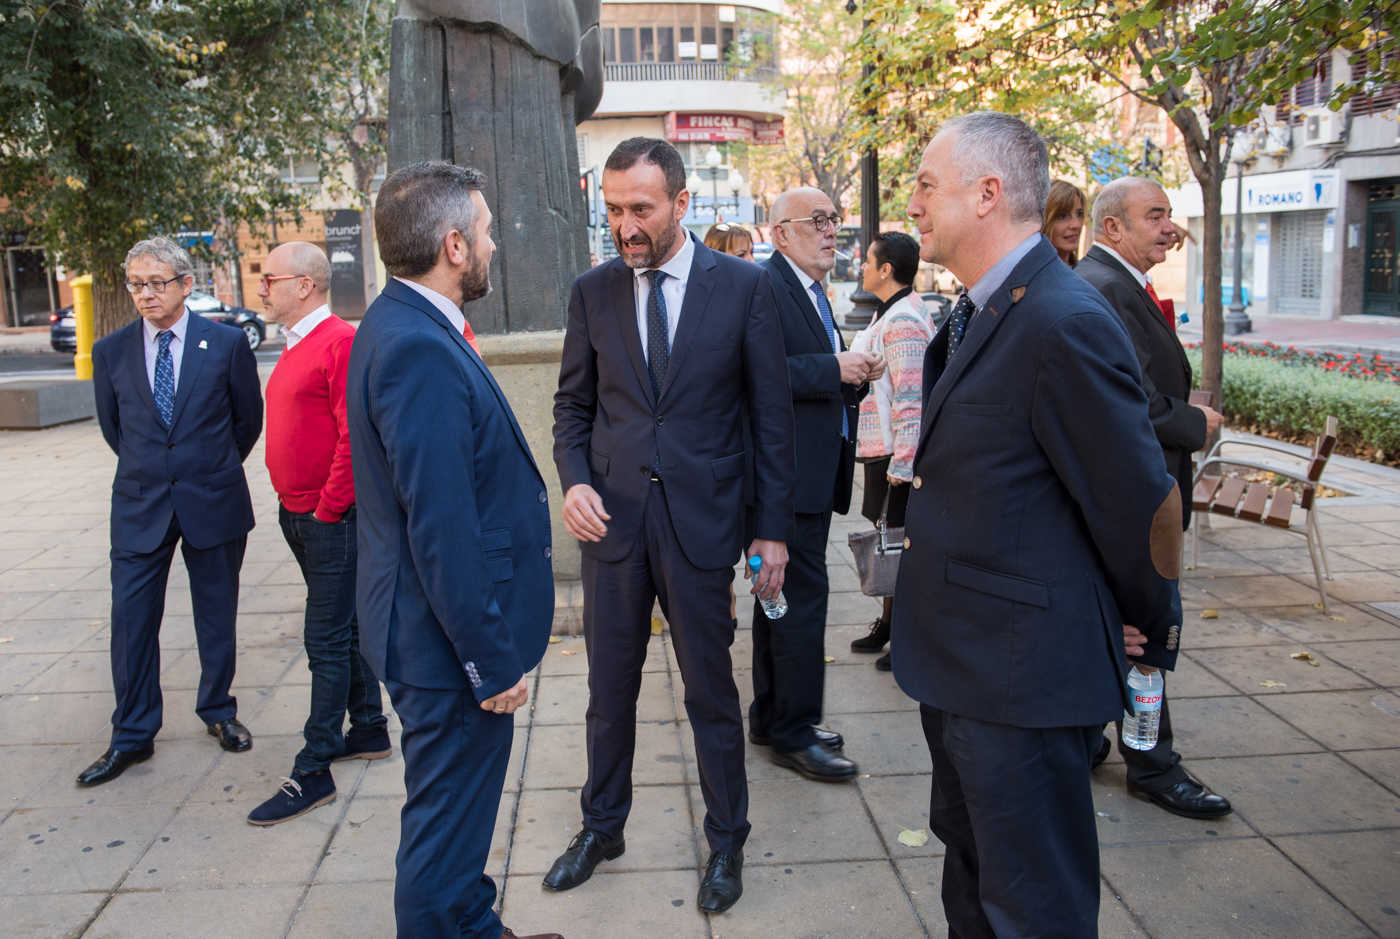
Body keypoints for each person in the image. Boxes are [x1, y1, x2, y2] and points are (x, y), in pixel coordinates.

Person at [894, 112, 1186, 936]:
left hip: (1021, 681)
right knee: (975, 887)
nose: (912, 204)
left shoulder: (1065, 320)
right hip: (963, 668)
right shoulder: (982, 309)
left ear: (987, 195)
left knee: (1035, 907)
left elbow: (1134, 501)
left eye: (925, 184)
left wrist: (1144, 618)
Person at [549, 137, 795, 915]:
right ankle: (602, 825)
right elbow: (572, 408)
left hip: (703, 523)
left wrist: (771, 529)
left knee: (710, 691)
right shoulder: (593, 291)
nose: (625, 225)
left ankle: (727, 840)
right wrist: (576, 480)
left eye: (641, 209)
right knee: (606, 689)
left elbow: (770, 417)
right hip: (613, 525)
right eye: (614, 209)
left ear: (682, 205)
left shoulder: (744, 287)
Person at [347, 162, 559, 939]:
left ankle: (474, 922)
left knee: (462, 816)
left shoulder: (404, 321)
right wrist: (489, 659)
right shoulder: (416, 345)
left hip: (426, 629)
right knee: (443, 833)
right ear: (454, 246)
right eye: (488, 228)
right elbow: (440, 524)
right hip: (442, 643)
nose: (496, 241)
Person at [1075, 176, 1232, 821]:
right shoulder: (1104, 288)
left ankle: (1090, 736)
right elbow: (1126, 404)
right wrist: (1197, 423)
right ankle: (1152, 763)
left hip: (1135, 497)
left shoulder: (1107, 283)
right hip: (1139, 502)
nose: (1171, 228)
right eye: (1156, 216)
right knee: (1148, 633)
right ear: (1112, 227)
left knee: (1121, 629)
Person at [81, 236, 263, 787]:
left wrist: (206, 468)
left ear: (187, 284)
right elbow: (116, 430)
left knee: (216, 614)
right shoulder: (111, 352)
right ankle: (132, 735)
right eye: (136, 283)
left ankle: (219, 711)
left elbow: (246, 422)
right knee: (131, 622)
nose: (145, 294)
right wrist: (157, 471)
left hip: (212, 500)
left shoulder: (227, 344)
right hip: (140, 507)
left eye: (157, 283)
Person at [246, 242, 390, 827]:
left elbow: (354, 438)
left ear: (304, 284)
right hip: (298, 513)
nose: (261, 288)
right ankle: (371, 728)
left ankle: (314, 766)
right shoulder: (297, 344)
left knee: (325, 639)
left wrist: (328, 510)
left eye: (269, 278)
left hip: (327, 518)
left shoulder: (341, 343)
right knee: (346, 627)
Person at [755, 187, 882, 784]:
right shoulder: (767, 288)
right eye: (820, 221)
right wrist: (832, 368)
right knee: (800, 604)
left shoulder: (808, 288)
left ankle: (772, 715)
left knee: (777, 599)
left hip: (810, 473)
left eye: (836, 220)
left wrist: (850, 378)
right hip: (787, 478)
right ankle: (794, 730)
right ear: (781, 232)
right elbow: (751, 374)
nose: (834, 231)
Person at [847, 231, 932, 670]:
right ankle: (888, 625)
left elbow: (910, 395)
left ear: (886, 270)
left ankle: (904, 635)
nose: (861, 266)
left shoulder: (902, 323)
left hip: (898, 455)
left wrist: (903, 461)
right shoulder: (892, 313)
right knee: (887, 541)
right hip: (883, 450)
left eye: (869, 261)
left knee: (897, 544)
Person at [1042, 178, 1087, 266]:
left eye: (1079, 214)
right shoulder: (1026, 276)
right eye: (1062, 216)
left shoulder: (1088, 275)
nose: (1076, 225)